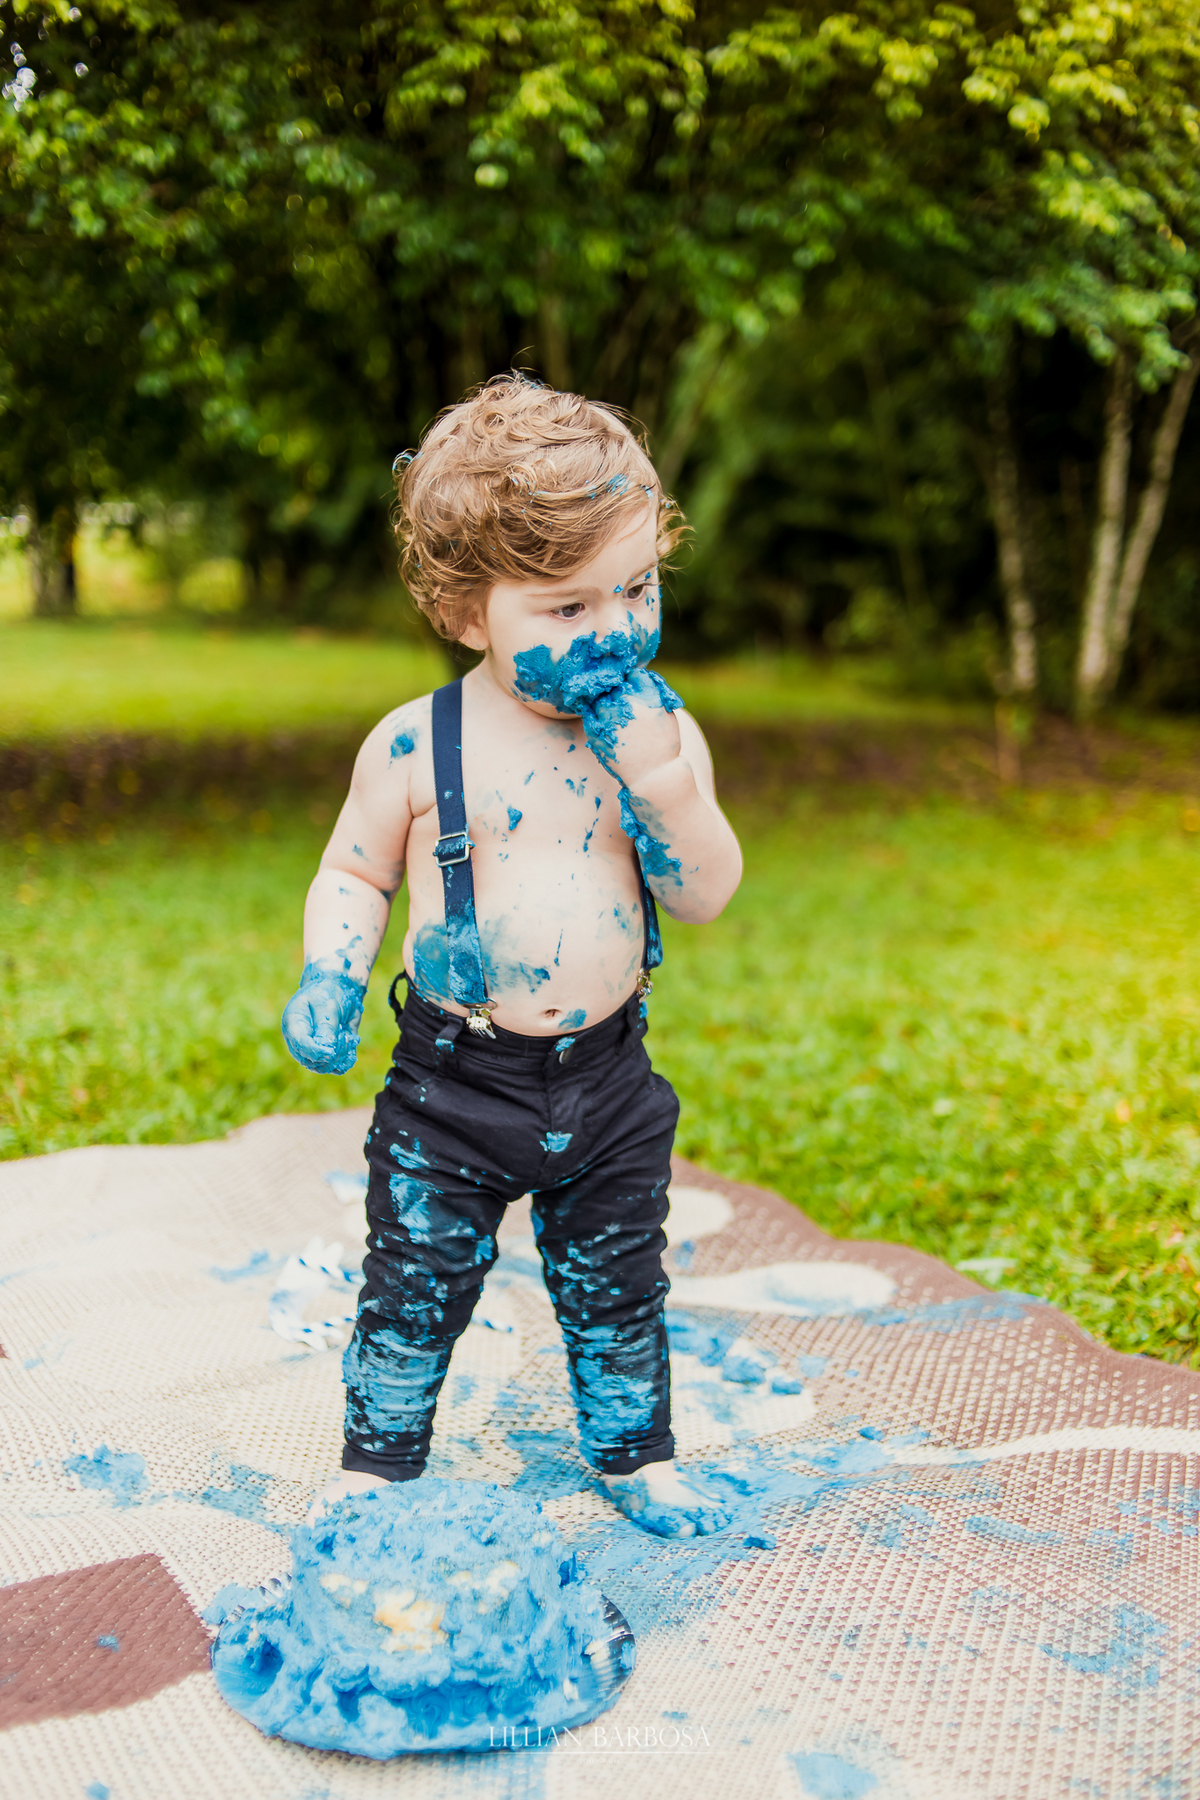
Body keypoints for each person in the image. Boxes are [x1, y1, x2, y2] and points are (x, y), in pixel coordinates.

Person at [281, 374, 743, 1538]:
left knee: (620, 1288)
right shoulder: (413, 743)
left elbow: (703, 895)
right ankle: (377, 1464)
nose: (614, 632)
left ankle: (636, 1456)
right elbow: (355, 872)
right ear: (465, 611)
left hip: (609, 1080)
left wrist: (666, 790)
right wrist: (331, 972)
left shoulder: (659, 734)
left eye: (636, 589)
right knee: (414, 1286)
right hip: (453, 1085)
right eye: (566, 609)